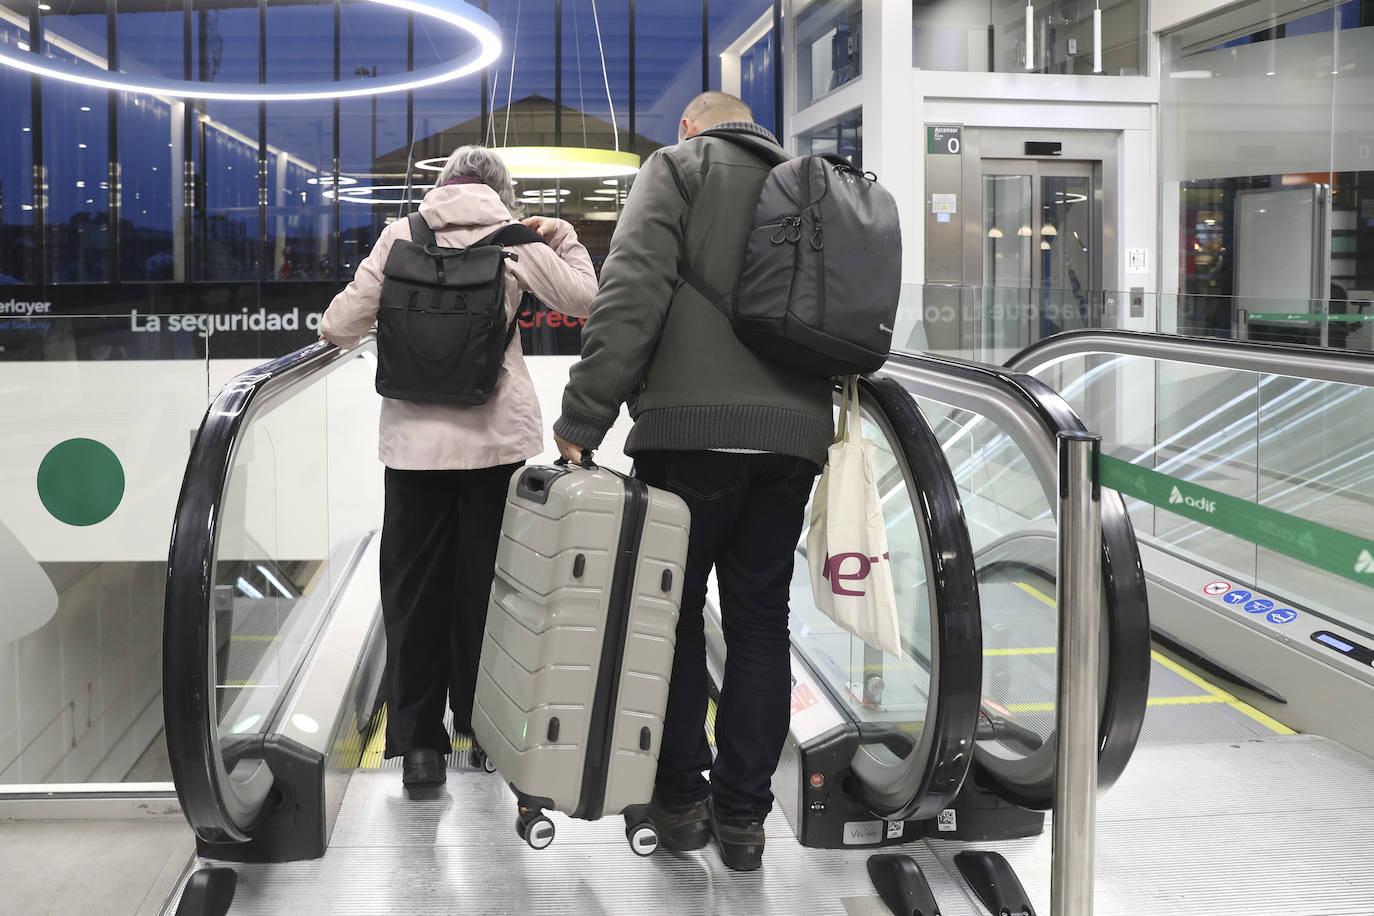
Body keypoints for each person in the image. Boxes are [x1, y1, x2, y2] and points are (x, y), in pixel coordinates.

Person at [551, 92, 833, 871]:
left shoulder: (678, 168)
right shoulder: (815, 184)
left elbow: (631, 292)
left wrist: (583, 419)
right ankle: (745, 819)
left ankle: (680, 803)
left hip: (690, 439)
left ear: (690, 125)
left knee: (669, 620)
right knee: (759, 623)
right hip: (792, 444)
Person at [320, 145, 597, 789]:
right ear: (502, 192)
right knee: (488, 590)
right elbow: (586, 299)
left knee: (414, 592)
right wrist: (563, 237)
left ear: (441, 187)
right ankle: (483, 725)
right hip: (495, 447)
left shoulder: (400, 236)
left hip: (413, 450)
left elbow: (338, 327)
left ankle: (419, 745)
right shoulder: (516, 241)